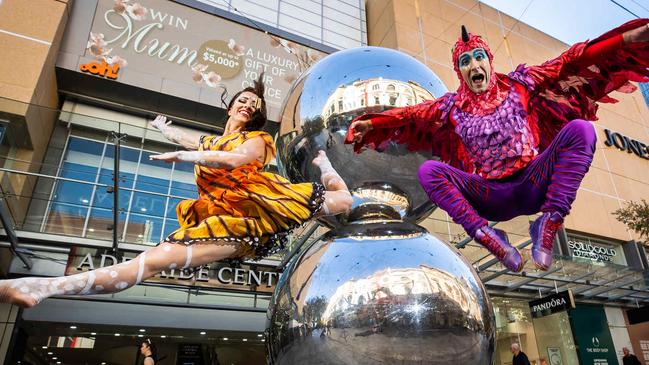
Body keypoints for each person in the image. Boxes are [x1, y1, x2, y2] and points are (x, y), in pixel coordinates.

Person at [0, 76, 352, 308]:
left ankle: (325, 165)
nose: (247, 105)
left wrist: (186, 156)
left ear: (257, 117)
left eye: (254, 106)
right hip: (220, 218)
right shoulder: (212, 140)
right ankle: (41, 287)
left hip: (253, 215)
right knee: (150, 261)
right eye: (243, 100)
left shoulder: (256, 140)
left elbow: (232, 160)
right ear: (231, 105)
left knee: (341, 199)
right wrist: (167, 132)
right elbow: (193, 140)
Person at [346, 20, 649, 272]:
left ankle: (550, 221)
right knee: (429, 171)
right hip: (491, 196)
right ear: (459, 71)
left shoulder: (523, 84)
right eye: (465, 61)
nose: (474, 65)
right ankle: (486, 234)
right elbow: (410, 114)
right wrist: (372, 124)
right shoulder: (450, 108)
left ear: (489, 62)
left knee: (581, 130)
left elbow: (571, 61)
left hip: (533, 183)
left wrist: (626, 38)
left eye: (479, 57)